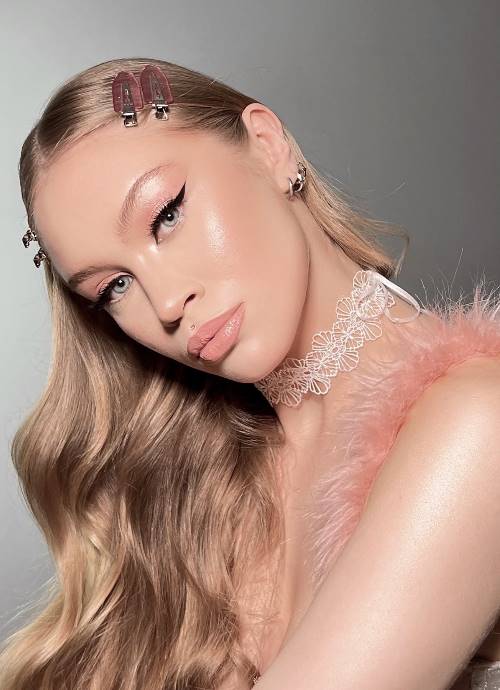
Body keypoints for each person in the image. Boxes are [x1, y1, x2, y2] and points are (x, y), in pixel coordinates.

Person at [1, 57, 500, 690]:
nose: (167, 302)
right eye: (114, 286)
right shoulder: (210, 500)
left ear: (268, 146)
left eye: (166, 216)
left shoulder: (478, 423)